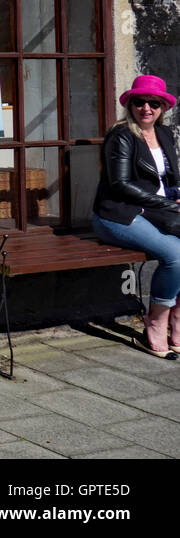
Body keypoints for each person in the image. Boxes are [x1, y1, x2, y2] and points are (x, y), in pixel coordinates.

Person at [92, 74, 180, 358]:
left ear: (162, 108)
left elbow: (171, 179)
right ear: (130, 105)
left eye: (154, 103)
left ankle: (176, 320)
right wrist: (168, 205)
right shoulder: (121, 136)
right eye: (140, 102)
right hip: (117, 214)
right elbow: (120, 185)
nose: (146, 108)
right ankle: (155, 323)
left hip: (155, 211)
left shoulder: (165, 134)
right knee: (176, 254)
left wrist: (176, 195)